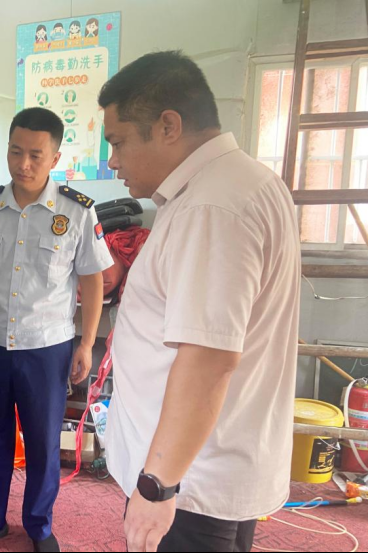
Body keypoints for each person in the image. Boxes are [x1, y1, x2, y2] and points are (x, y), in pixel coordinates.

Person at [99, 50, 301, 553]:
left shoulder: (211, 207)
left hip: (188, 483)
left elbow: (208, 359)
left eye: (118, 141)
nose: (113, 160)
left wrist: (157, 485)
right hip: (208, 465)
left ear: (168, 126)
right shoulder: (244, 181)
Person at [0, 107, 113, 553]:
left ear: (55, 158)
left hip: (47, 349)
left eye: (35, 156)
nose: (23, 164)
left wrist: (86, 343)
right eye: (15, 152)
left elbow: (92, 281)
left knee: (43, 443)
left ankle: (39, 525)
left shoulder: (77, 212)